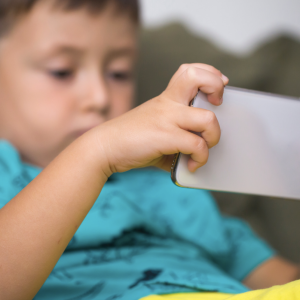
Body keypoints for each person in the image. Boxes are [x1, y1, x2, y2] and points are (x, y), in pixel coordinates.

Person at [0, 0, 298, 299]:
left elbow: (280, 277)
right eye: (61, 71)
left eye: (118, 73)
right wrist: (97, 151)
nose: (100, 97)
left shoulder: (172, 185)